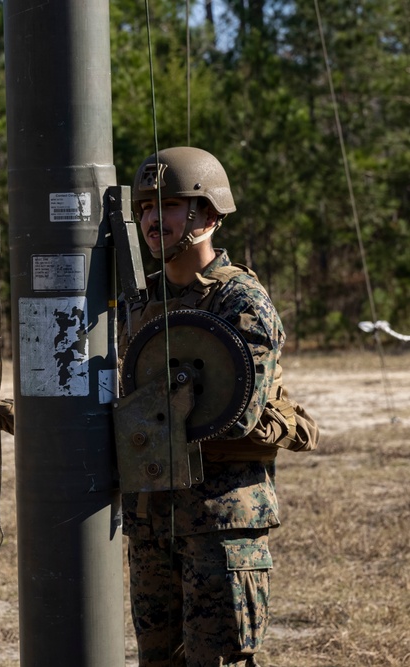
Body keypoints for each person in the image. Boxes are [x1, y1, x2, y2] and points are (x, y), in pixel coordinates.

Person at [118, 146, 315, 666]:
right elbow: (122, 405)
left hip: (221, 527)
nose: (153, 219)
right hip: (152, 523)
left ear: (207, 216)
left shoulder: (240, 301)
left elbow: (238, 414)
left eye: (171, 205)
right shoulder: (139, 304)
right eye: (143, 208)